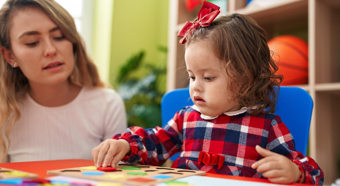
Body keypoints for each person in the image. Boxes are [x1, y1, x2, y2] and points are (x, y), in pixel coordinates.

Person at [91, 1, 323, 185]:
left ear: (244, 80)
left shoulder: (266, 127)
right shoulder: (186, 119)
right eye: (192, 77)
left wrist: (295, 171)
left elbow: (312, 172)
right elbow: (154, 146)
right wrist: (125, 146)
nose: (195, 87)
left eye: (208, 78)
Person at [0, 0, 127, 163]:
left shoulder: (107, 104)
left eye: (59, 37)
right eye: (32, 42)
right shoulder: (4, 115)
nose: (51, 50)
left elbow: (117, 178)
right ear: (10, 56)